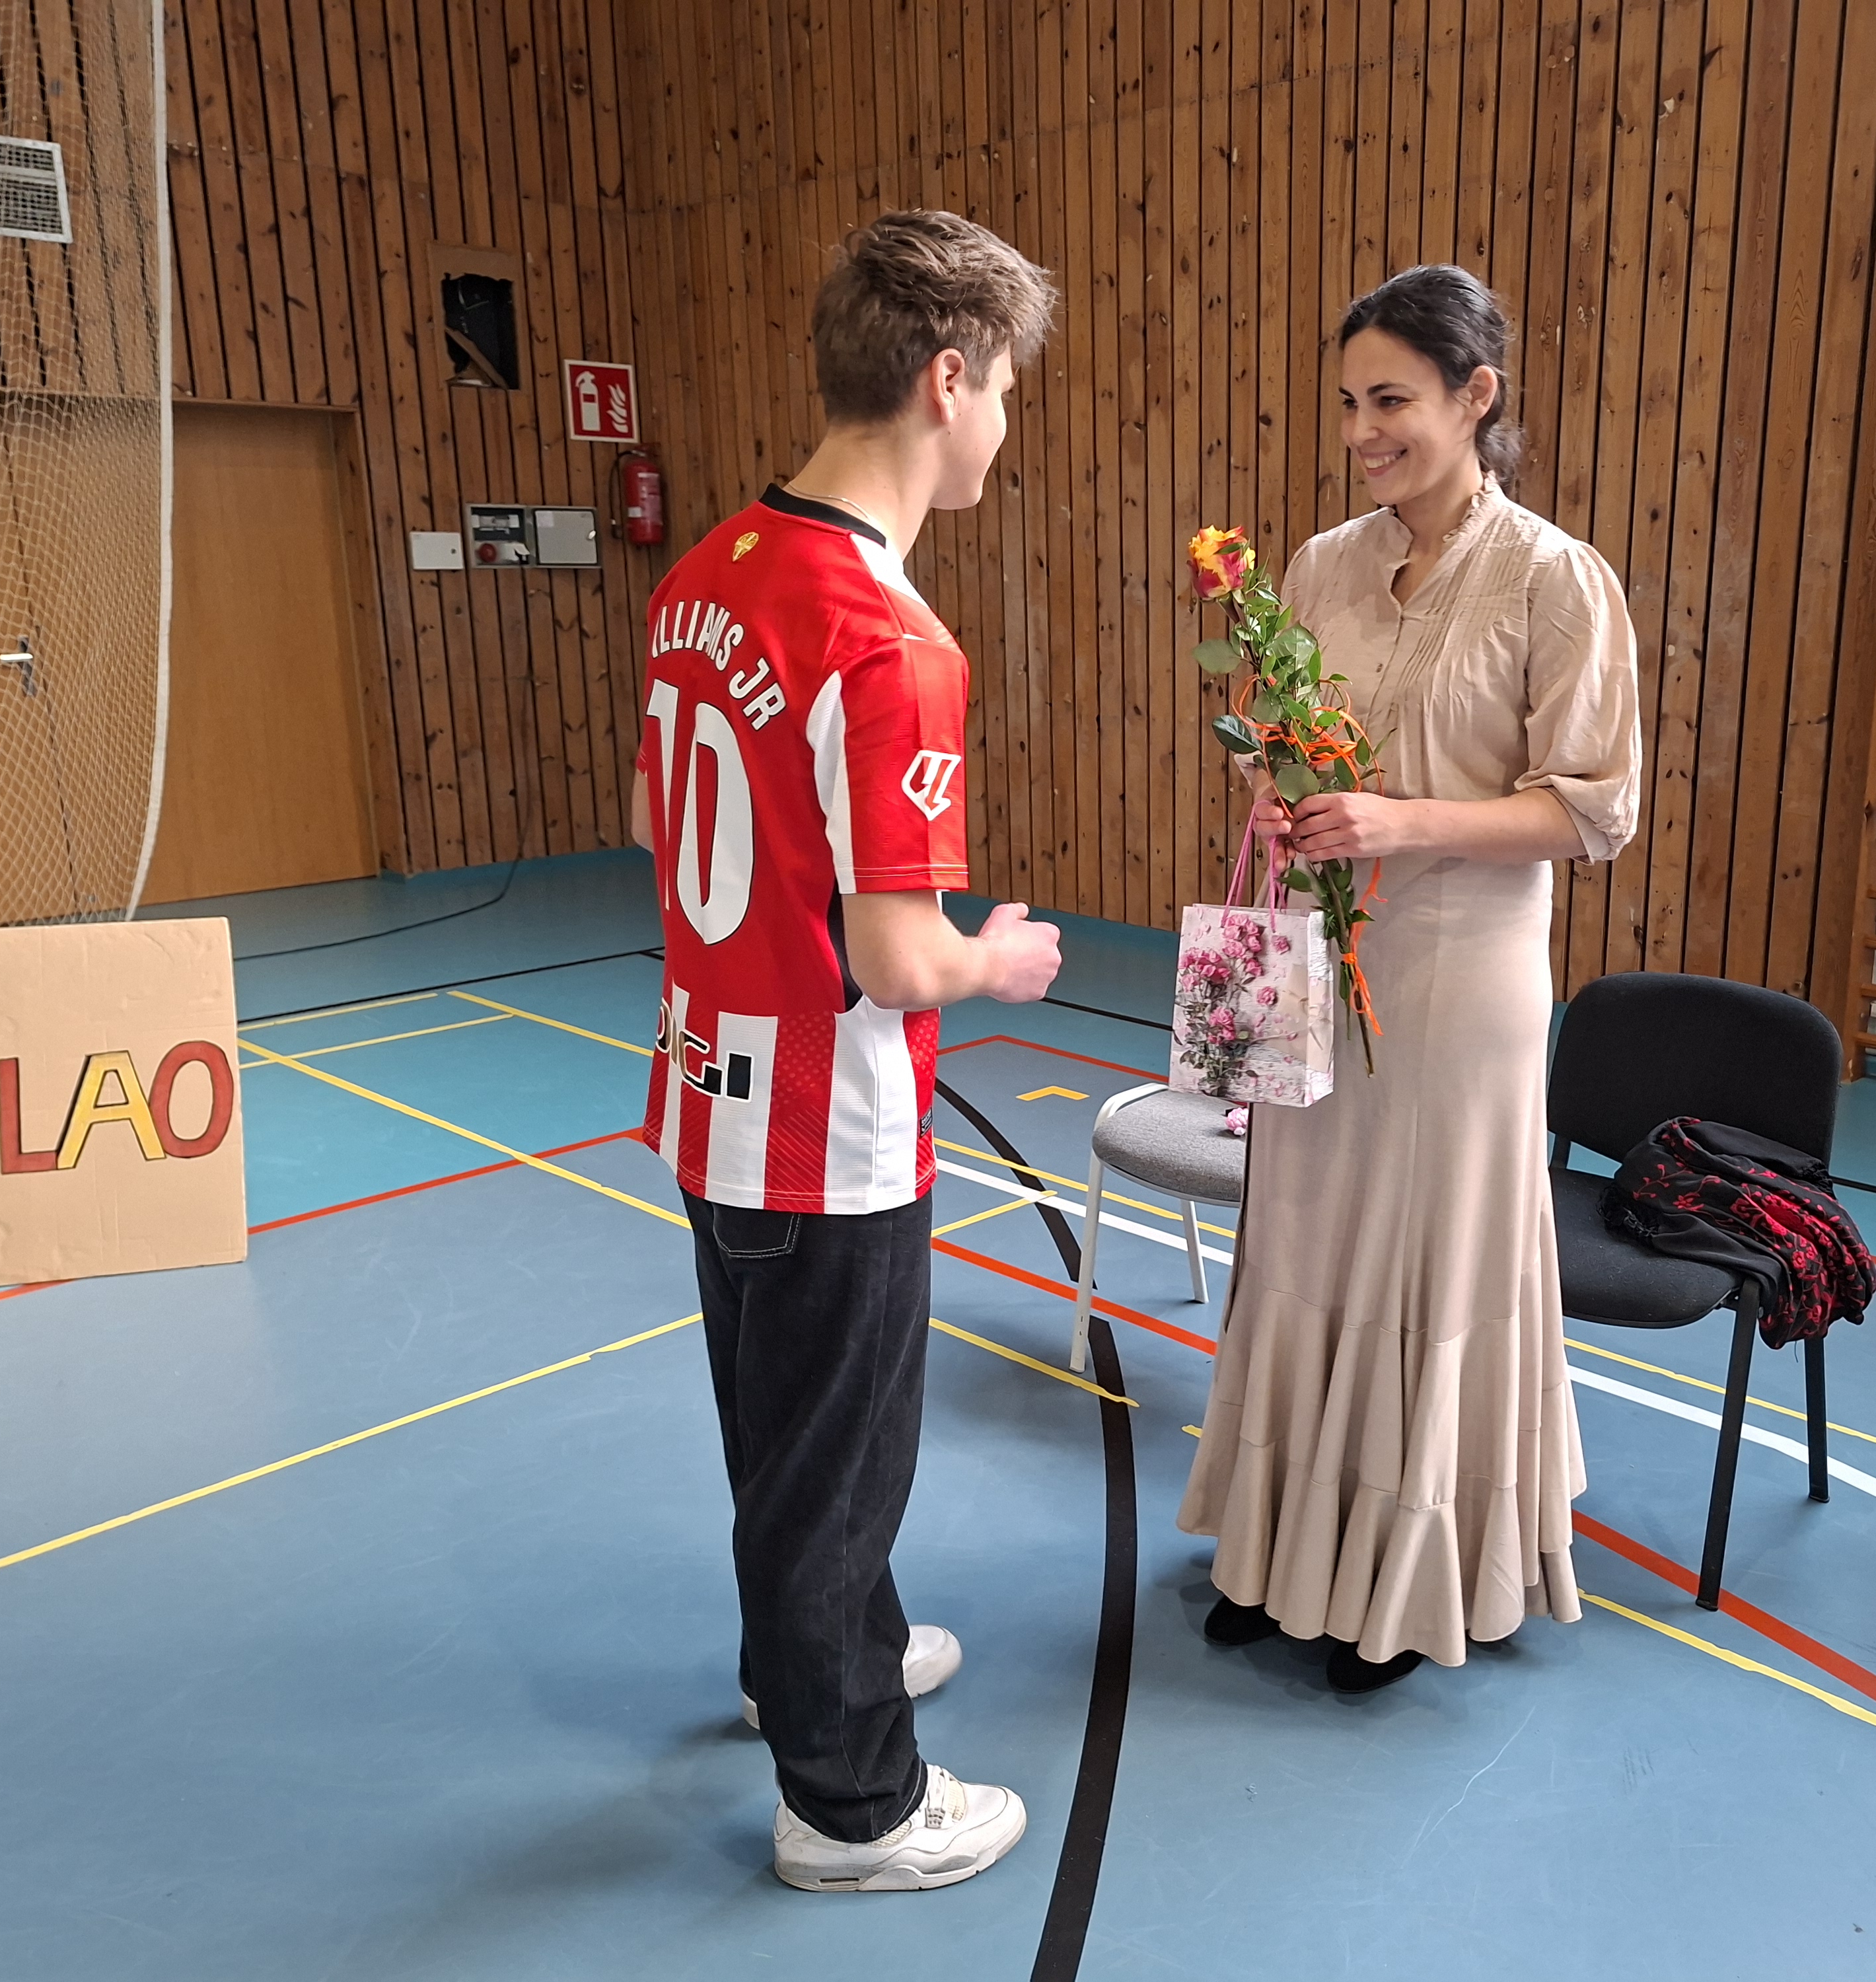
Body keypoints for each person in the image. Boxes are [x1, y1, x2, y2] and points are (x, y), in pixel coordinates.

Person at [627, 210, 1064, 1891]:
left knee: (780, 1437)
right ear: (948, 381)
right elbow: (895, 956)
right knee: (840, 1463)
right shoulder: (890, 638)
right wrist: (1000, 959)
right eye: (1004, 389)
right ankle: (851, 1804)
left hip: (703, 1090)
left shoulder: (703, 575)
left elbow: (667, 829)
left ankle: (811, 1661)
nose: (1004, 424)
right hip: (824, 1128)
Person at [1178, 265, 1644, 1692]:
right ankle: (1283, 1552)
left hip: (1459, 984)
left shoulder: (1554, 578)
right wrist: (1277, 796)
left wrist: (1398, 824)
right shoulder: (1319, 567)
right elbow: (1281, 740)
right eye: (1347, 403)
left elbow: (1592, 811)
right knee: (1302, 1245)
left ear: (1475, 395)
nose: (1360, 432)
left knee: (1422, 1265)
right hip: (1319, 961)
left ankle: (1403, 1571)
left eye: (1390, 400)